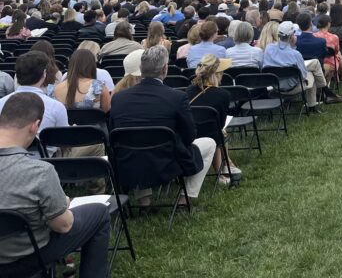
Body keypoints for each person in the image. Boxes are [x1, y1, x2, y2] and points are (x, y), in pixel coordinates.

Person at [0, 93, 110, 277]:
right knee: (99, 214)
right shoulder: (39, 172)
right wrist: (63, 203)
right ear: (35, 127)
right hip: (26, 257)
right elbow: (63, 226)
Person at [108, 46, 216, 208]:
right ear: (165, 69)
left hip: (128, 163)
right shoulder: (177, 97)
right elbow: (189, 136)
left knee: (137, 142)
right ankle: (184, 200)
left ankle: (144, 202)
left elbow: (114, 135)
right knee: (209, 143)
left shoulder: (118, 98)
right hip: (166, 164)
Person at [184, 54, 241, 185]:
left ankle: (226, 164)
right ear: (217, 74)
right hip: (210, 136)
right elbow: (220, 124)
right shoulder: (223, 95)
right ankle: (223, 169)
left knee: (216, 130)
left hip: (190, 133)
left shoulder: (189, 90)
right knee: (220, 131)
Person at [262, 21, 342, 108]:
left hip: (274, 84)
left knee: (314, 63)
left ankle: (325, 92)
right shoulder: (295, 54)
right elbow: (303, 76)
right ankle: (318, 99)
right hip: (291, 87)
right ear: (292, 36)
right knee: (311, 74)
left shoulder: (269, 48)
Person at [0, 52, 69, 147]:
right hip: (50, 159)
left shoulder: (1, 103)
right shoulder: (56, 107)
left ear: (17, 74)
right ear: (44, 74)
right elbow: (65, 140)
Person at [314, 14, 342, 87]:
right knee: (338, 54)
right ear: (328, 24)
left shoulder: (314, 36)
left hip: (318, 61)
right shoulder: (334, 37)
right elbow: (336, 52)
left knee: (337, 54)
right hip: (330, 63)